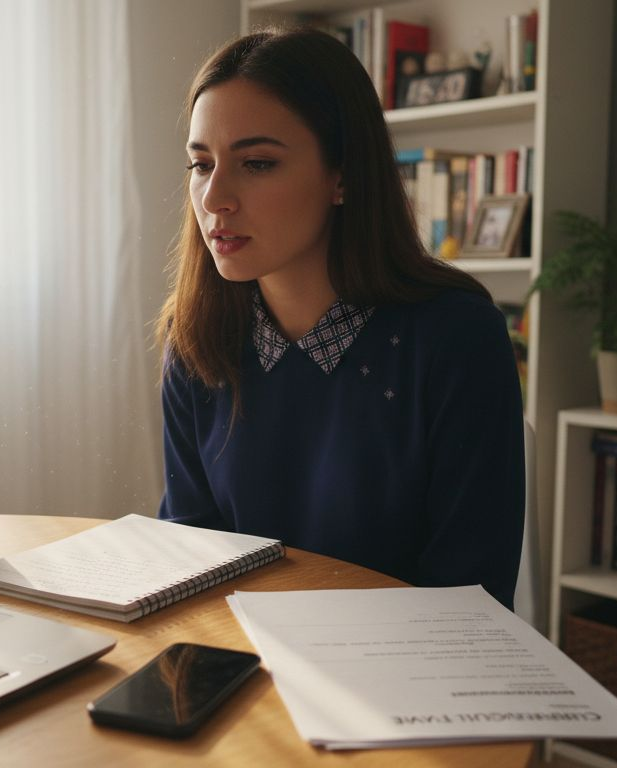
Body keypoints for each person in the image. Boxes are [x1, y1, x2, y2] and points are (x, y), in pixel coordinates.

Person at [155, 28, 525, 608]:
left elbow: (469, 592)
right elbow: (188, 564)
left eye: (256, 163)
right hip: (239, 667)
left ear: (343, 175)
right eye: (201, 165)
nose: (214, 198)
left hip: (406, 680)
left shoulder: (456, 338)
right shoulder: (198, 338)